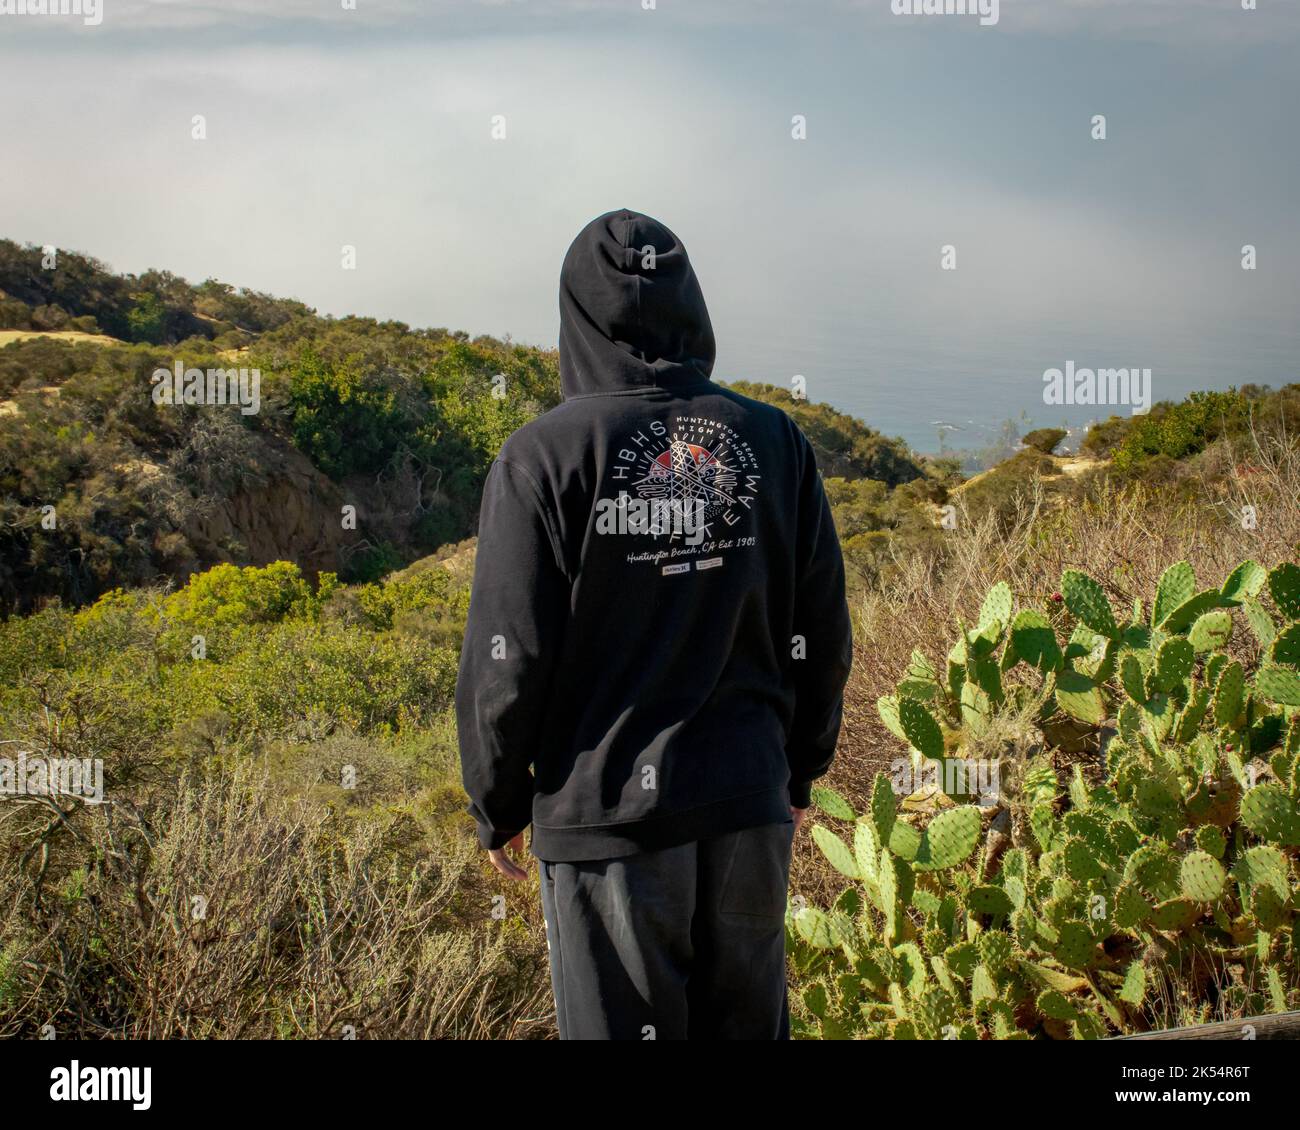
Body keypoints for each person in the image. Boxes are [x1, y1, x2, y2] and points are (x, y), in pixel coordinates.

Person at [456, 208, 852, 1040]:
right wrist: (799, 767)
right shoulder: (775, 440)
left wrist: (498, 803)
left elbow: (509, 658)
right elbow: (821, 630)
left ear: (578, 315)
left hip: (608, 826)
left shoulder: (542, 458)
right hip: (748, 800)